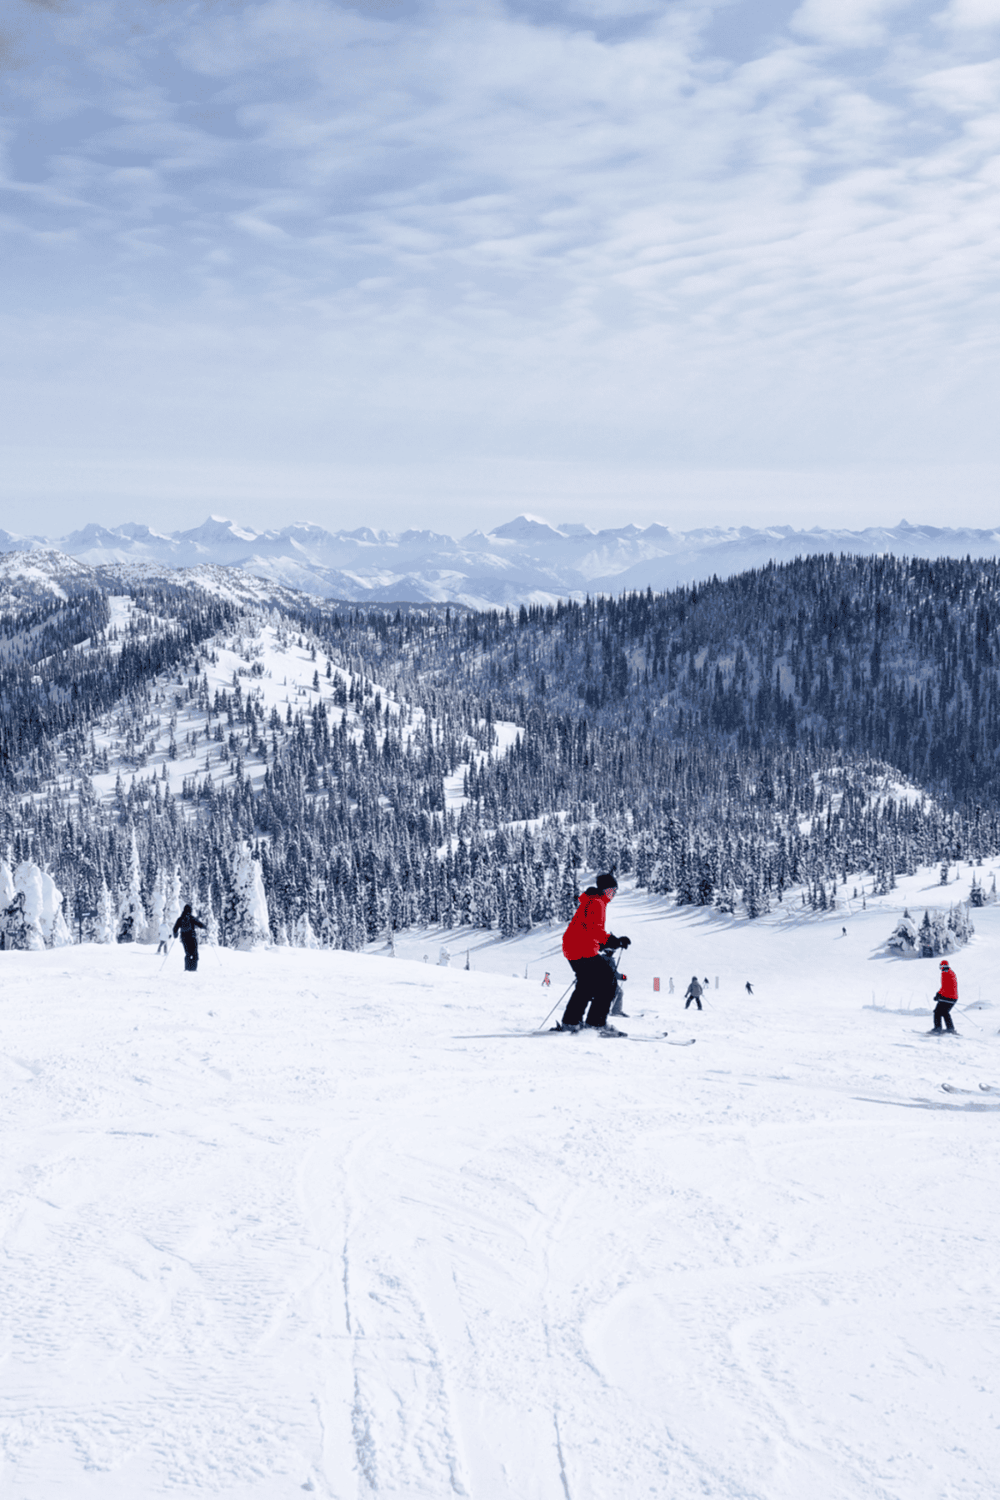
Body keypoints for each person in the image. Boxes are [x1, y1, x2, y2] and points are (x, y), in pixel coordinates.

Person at [555, 872, 631, 1036]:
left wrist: (607, 943)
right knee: (608, 982)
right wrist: (614, 941)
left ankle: (571, 1022)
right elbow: (594, 929)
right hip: (581, 949)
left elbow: (587, 930)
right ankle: (596, 1023)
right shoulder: (597, 902)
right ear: (605, 890)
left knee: (586, 986)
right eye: (612, 891)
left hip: (574, 948)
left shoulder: (592, 900)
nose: (614, 894)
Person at [172, 903, 206, 972]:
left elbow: (175, 928)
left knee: (188, 953)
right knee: (194, 953)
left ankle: (187, 968)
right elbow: (199, 923)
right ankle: (193, 969)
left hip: (184, 938)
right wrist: (204, 927)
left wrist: (175, 935)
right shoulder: (191, 918)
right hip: (192, 937)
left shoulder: (180, 918)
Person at [931, 959, 959, 1034]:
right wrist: (939, 994)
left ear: (942, 966)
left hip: (947, 997)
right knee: (944, 1012)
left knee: (937, 1012)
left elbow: (945, 986)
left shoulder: (944, 973)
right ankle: (950, 1028)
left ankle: (937, 1028)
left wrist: (939, 995)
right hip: (954, 997)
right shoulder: (951, 972)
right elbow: (948, 986)